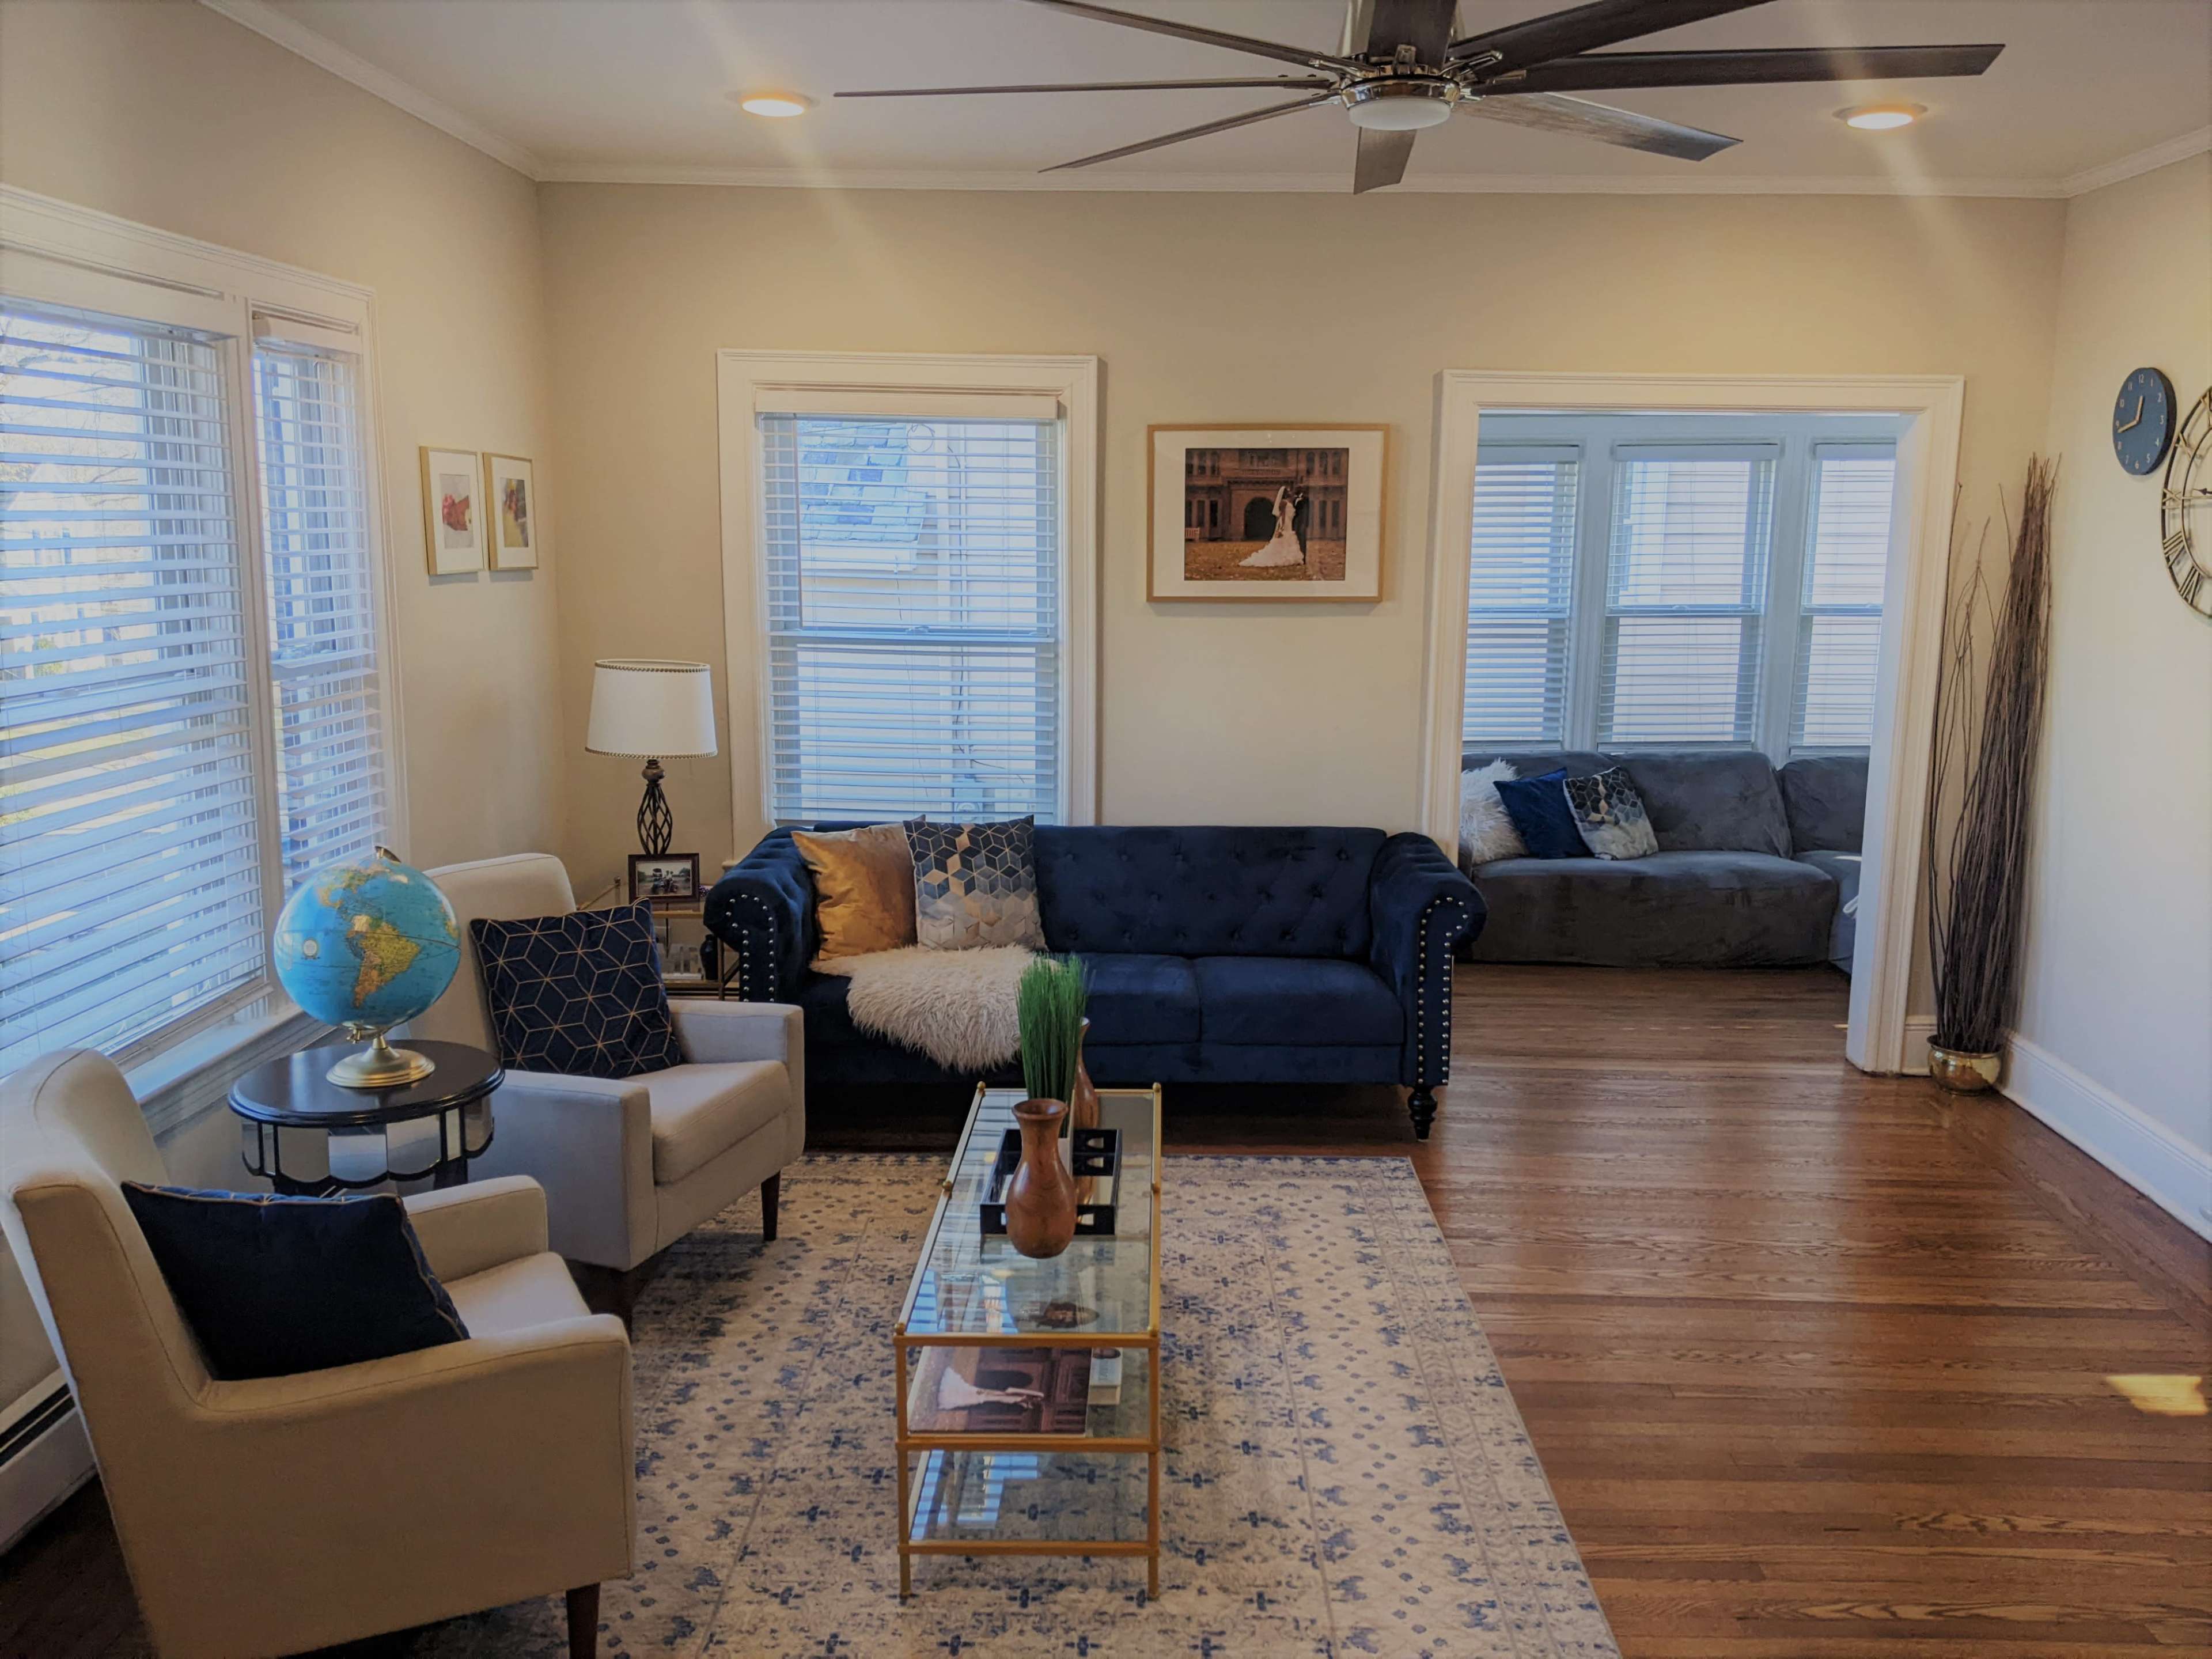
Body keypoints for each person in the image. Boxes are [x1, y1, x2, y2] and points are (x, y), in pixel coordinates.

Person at [1240, 483, 1307, 568]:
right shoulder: (1283, 503)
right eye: (1289, 491)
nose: (1291, 492)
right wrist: (1281, 527)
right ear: (1285, 493)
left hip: (1289, 522)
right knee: (1284, 539)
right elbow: (1282, 515)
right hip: (1285, 522)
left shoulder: (1290, 502)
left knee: (1289, 539)